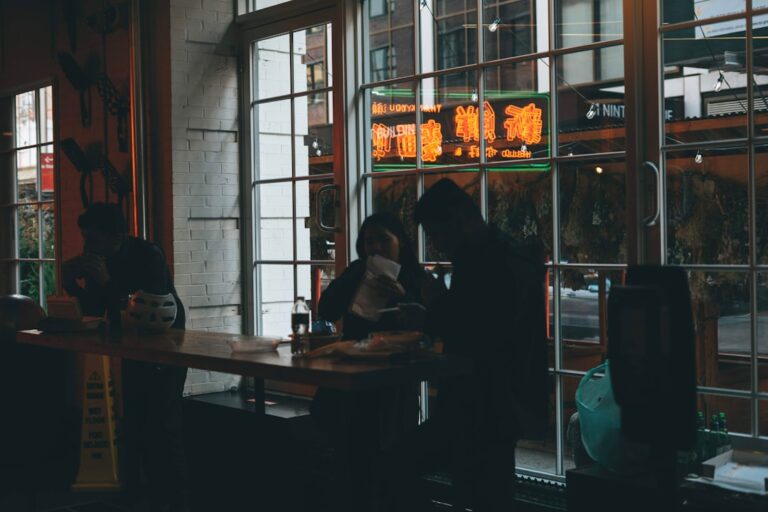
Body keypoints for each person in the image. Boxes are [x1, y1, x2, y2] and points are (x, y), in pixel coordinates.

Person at [385, 178, 549, 512]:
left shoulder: (480, 261)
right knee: (488, 489)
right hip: (504, 400)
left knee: (400, 463)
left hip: (480, 401)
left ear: (457, 221)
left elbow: (478, 331)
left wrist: (434, 307)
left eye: (436, 234)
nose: (437, 244)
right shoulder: (505, 252)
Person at [62, 202, 188, 512]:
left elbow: (151, 309)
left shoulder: (148, 255)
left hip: (165, 344)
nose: (87, 246)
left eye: (92, 238)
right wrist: (72, 285)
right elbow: (94, 309)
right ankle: (134, 494)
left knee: (161, 422)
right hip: (130, 346)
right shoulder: (99, 260)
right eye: (85, 238)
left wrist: (106, 282)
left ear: (114, 235)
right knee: (133, 420)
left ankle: (173, 499)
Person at [312, 212, 427, 512]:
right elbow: (326, 309)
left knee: (389, 457)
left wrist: (403, 297)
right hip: (352, 378)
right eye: (368, 241)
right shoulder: (357, 271)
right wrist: (356, 276)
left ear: (400, 242)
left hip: (393, 382)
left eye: (383, 240)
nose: (375, 247)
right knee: (351, 458)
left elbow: (429, 327)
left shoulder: (415, 277)